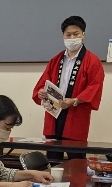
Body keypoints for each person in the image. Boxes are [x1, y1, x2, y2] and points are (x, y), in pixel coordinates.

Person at [32, 16, 105, 156]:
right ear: (63, 36)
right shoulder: (55, 60)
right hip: (54, 115)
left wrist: (74, 101)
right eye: (68, 34)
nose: (72, 37)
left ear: (83, 34)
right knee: (53, 161)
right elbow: (43, 83)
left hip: (76, 116)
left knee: (76, 161)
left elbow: (94, 87)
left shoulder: (93, 61)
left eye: (76, 34)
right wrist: (41, 92)